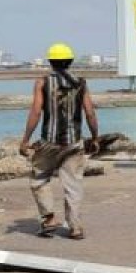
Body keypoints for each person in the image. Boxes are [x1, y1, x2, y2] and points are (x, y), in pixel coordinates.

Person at [19, 43, 99, 239]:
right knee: (73, 185)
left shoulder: (42, 83)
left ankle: (48, 219)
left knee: (39, 178)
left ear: (51, 62)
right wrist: (95, 137)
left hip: (49, 143)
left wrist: (25, 140)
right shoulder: (81, 83)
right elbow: (90, 113)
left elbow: (36, 112)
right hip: (74, 143)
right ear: (70, 61)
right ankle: (75, 227)